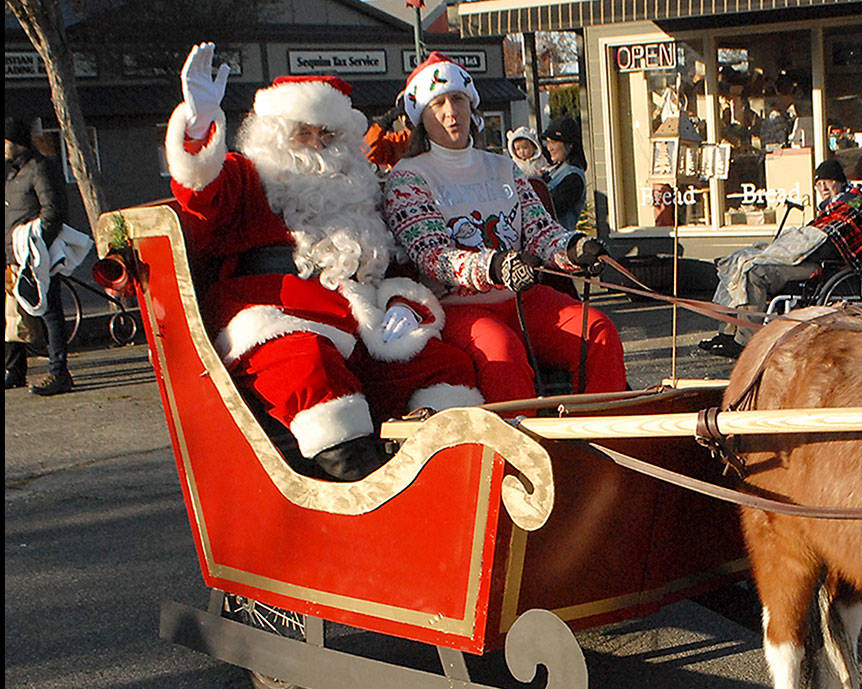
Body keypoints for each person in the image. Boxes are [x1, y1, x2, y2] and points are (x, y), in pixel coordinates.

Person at [164, 43, 481, 481]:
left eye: (328, 136)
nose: (317, 146)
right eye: (303, 134)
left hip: (361, 319)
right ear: (275, 137)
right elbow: (202, 193)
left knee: (445, 365)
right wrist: (199, 127)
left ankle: (445, 476)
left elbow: (394, 260)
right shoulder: (250, 177)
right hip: (280, 319)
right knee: (310, 365)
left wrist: (402, 305)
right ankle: (362, 485)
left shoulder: (360, 187)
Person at [382, 53, 625, 404]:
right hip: (457, 307)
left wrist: (573, 248)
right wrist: (494, 266)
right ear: (421, 116)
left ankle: (604, 424)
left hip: (520, 298)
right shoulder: (408, 177)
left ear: (471, 105)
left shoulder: (503, 167)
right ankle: (517, 436)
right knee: (502, 351)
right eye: (438, 104)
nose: (451, 112)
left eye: (458, 99)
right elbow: (433, 257)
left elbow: (540, 231)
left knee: (597, 329)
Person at [699, 158, 862, 358]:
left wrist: (798, 246)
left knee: (754, 272)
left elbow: (828, 243)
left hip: (823, 265)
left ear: (839, 182)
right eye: (818, 184)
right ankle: (727, 333)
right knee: (737, 263)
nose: (823, 188)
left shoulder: (852, 206)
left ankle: (746, 342)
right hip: (806, 258)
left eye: (827, 182)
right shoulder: (828, 210)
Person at [6, 116, 73, 395]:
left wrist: (36, 247)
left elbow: (53, 210)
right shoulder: (12, 172)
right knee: (12, 314)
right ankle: (15, 370)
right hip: (12, 255)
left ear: (15, 142)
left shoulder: (40, 167)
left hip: (33, 255)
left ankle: (59, 372)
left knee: (49, 312)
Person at [540, 116, 587, 230]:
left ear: (570, 145)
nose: (549, 148)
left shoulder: (573, 178)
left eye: (554, 142)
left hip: (560, 237)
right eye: (548, 142)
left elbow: (551, 209)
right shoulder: (554, 170)